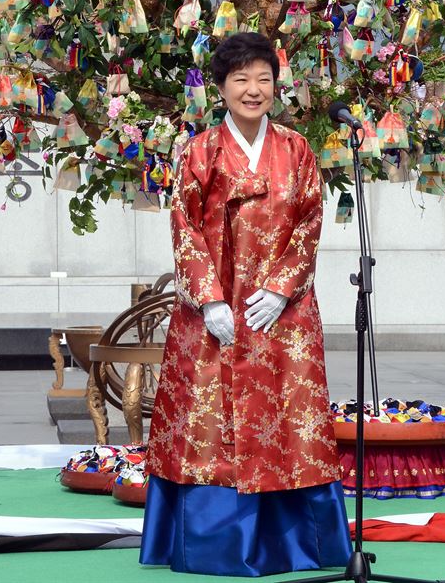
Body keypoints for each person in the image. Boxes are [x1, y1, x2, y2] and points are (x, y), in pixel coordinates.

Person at [141, 32, 351, 577]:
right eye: (241, 79)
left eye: (263, 79)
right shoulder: (199, 150)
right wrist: (209, 299)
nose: (253, 90)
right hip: (216, 314)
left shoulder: (298, 149)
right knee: (207, 423)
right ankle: (211, 545)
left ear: (276, 87)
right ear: (220, 87)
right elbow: (183, 226)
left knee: (290, 420)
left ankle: (300, 545)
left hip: (284, 314)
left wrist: (282, 287)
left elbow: (308, 221)